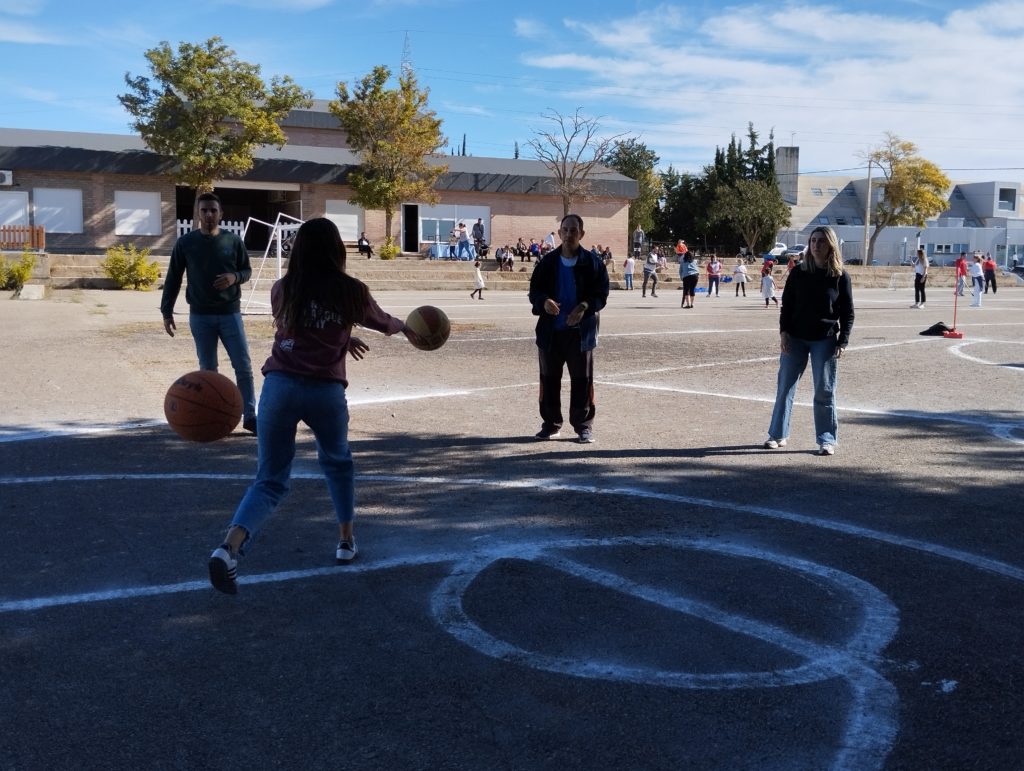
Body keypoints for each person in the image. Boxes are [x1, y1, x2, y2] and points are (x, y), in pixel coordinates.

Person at [206, 218, 423, 594]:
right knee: (338, 463)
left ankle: (229, 548)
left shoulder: (282, 289)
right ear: (337, 250)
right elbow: (380, 320)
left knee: (270, 479)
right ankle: (345, 541)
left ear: (299, 250)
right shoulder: (351, 291)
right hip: (324, 390)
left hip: (280, 386)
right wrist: (406, 329)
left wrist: (342, 336)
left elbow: (300, 328)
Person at [161, 192, 257, 434]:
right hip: (200, 316)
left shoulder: (233, 241)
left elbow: (246, 270)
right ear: (198, 214)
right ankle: (210, 416)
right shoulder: (186, 243)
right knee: (208, 370)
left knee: (243, 366)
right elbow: (173, 278)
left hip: (230, 314)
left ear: (221, 214)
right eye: (204, 210)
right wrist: (167, 311)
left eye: (213, 210)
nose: (209, 215)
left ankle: (250, 416)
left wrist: (234, 277)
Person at [764, 226, 854, 457]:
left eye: (821, 241)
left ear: (830, 245)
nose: (816, 245)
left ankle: (826, 439)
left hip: (824, 340)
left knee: (824, 391)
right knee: (784, 388)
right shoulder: (799, 272)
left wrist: (842, 341)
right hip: (795, 338)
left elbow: (848, 312)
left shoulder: (840, 276)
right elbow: (787, 306)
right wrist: (783, 333)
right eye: (813, 241)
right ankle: (777, 434)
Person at [528, 213, 609, 444]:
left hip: (580, 334)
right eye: (565, 229)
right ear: (560, 232)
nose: (569, 234)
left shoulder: (592, 263)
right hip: (550, 333)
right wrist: (543, 301)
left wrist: (584, 306)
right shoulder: (547, 263)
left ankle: (583, 426)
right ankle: (551, 424)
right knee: (549, 380)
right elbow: (534, 292)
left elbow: (601, 294)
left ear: (581, 234)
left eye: (574, 230)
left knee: (582, 381)